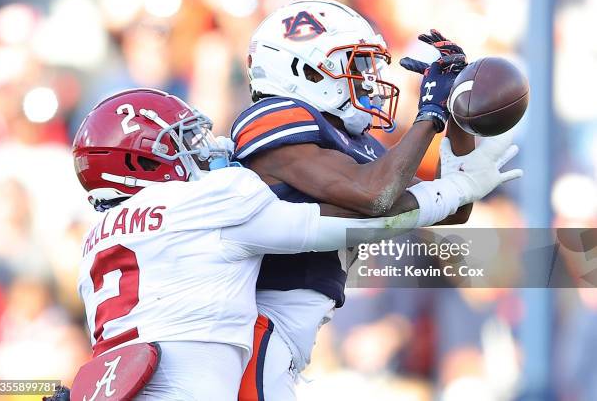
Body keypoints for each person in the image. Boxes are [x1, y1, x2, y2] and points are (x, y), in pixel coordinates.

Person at [47, 87, 518, 401]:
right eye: (181, 141)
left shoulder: (94, 240)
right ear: (141, 160)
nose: (204, 145)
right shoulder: (211, 199)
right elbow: (362, 221)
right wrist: (458, 189)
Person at [233, 0, 520, 400]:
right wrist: (430, 114)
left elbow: (447, 210)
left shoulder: (355, 146)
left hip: (291, 334)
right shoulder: (275, 117)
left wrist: (458, 114)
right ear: (303, 69)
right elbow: (377, 198)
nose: (368, 78)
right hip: (255, 328)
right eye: (355, 64)